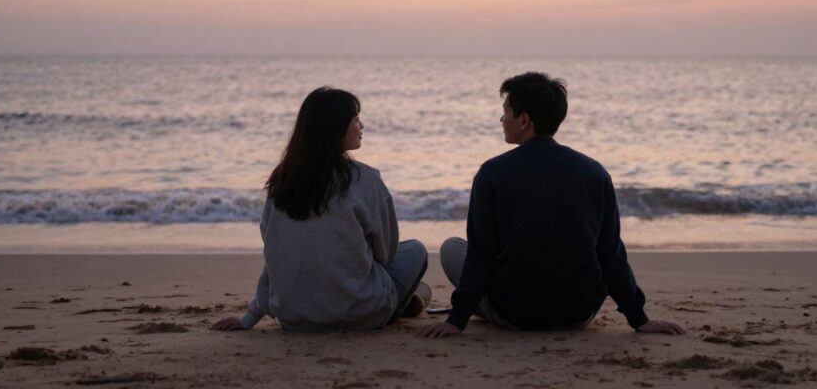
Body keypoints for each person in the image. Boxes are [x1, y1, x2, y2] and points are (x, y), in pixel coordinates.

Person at [418, 72, 685, 338]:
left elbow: (481, 255)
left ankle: (478, 307)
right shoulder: (594, 172)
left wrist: (456, 320)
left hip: (514, 314)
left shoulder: (492, 173)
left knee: (452, 248)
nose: (501, 120)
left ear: (523, 121)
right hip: (577, 314)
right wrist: (638, 318)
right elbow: (610, 253)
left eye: (505, 112)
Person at [212, 87, 431, 332]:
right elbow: (386, 253)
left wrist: (249, 318)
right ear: (335, 128)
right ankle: (399, 305)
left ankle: (404, 298)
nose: (362, 126)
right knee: (414, 251)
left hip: (293, 316)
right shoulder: (366, 180)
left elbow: (275, 254)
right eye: (356, 120)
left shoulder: (282, 181)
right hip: (359, 313)